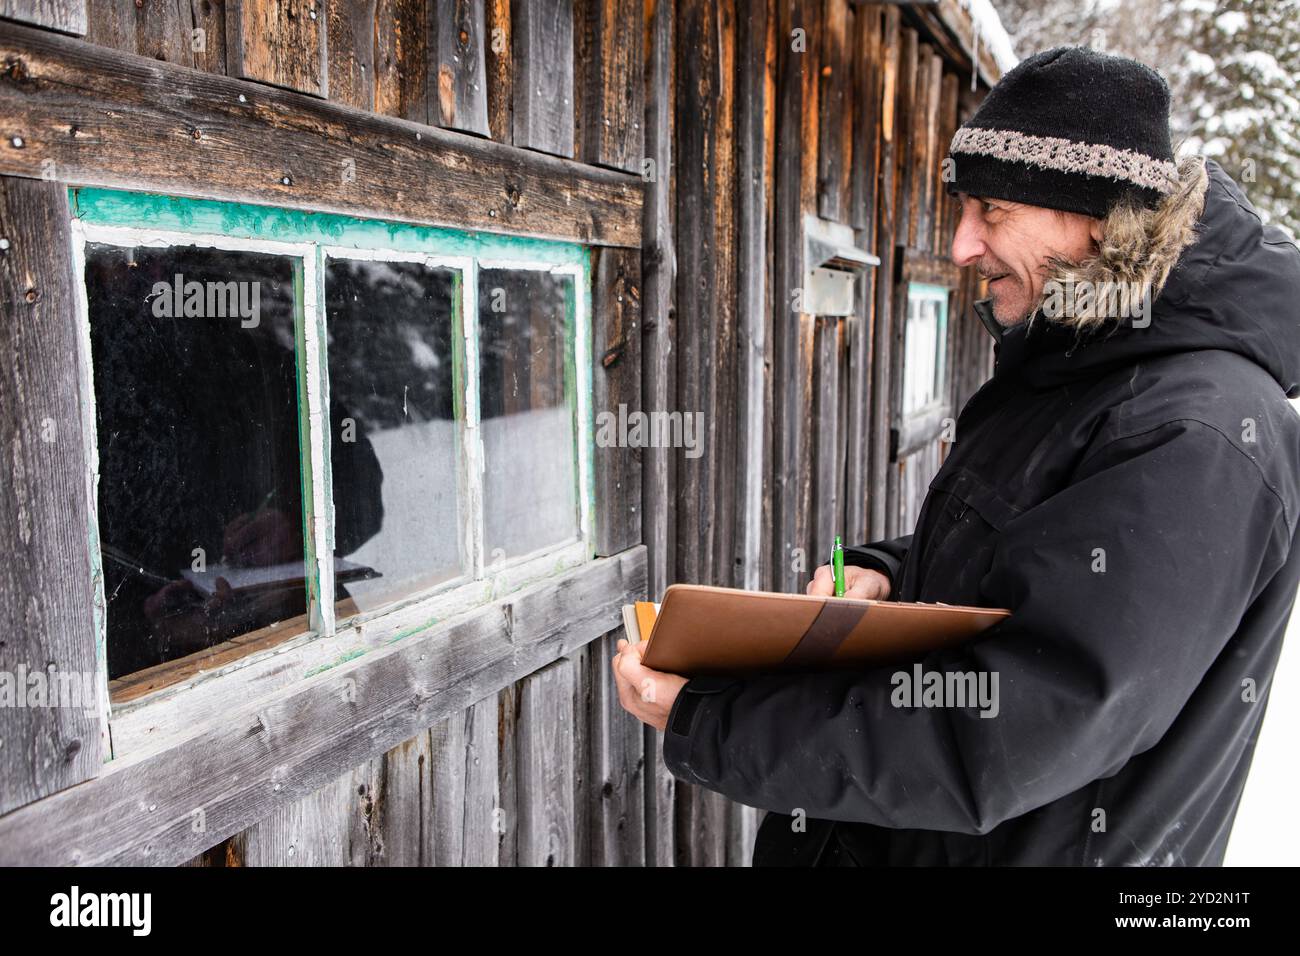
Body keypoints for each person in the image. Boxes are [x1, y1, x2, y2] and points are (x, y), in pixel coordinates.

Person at [611, 46, 1300, 866]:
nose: (963, 244)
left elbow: (1022, 721)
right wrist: (890, 575)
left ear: (1095, 219)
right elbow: (1035, 569)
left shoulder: (1200, 435)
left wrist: (715, 720)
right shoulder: (1078, 363)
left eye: (992, 210)